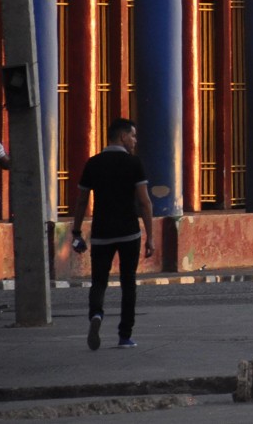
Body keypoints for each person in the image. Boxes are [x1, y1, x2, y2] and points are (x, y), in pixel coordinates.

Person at [70, 118, 153, 351]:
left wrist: (76, 232)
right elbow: (145, 203)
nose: (135, 141)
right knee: (129, 283)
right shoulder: (134, 163)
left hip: (101, 233)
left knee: (99, 281)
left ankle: (96, 314)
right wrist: (151, 237)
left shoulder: (93, 163)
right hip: (129, 233)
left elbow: (81, 202)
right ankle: (124, 336)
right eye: (133, 136)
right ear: (122, 136)